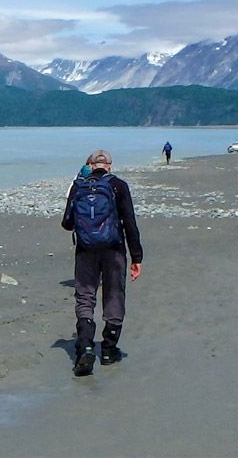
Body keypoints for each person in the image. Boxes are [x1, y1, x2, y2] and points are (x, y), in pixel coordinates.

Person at [61, 149, 143, 376]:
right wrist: (136, 257)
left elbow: (67, 223)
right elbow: (130, 223)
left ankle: (85, 346)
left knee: (85, 296)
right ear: (110, 166)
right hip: (114, 249)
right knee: (114, 294)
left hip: (85, 250)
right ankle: (108, 349)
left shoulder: (79, 186)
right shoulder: (119, 186)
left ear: (90, 165)